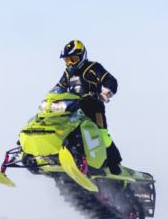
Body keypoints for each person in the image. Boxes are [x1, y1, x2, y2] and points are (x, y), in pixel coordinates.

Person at [52, 40, 123, 173]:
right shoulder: (68, 73)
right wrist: (52, 95)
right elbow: (59, 87)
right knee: (65, 131)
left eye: (73, 59)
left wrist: (106, 93)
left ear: (82, 56)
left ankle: (114, 166)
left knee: (102, 136)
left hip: (94, 109)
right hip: (74, 110)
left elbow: (110, 80)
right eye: (67, 60)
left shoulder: (93, 68)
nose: (70, 63)